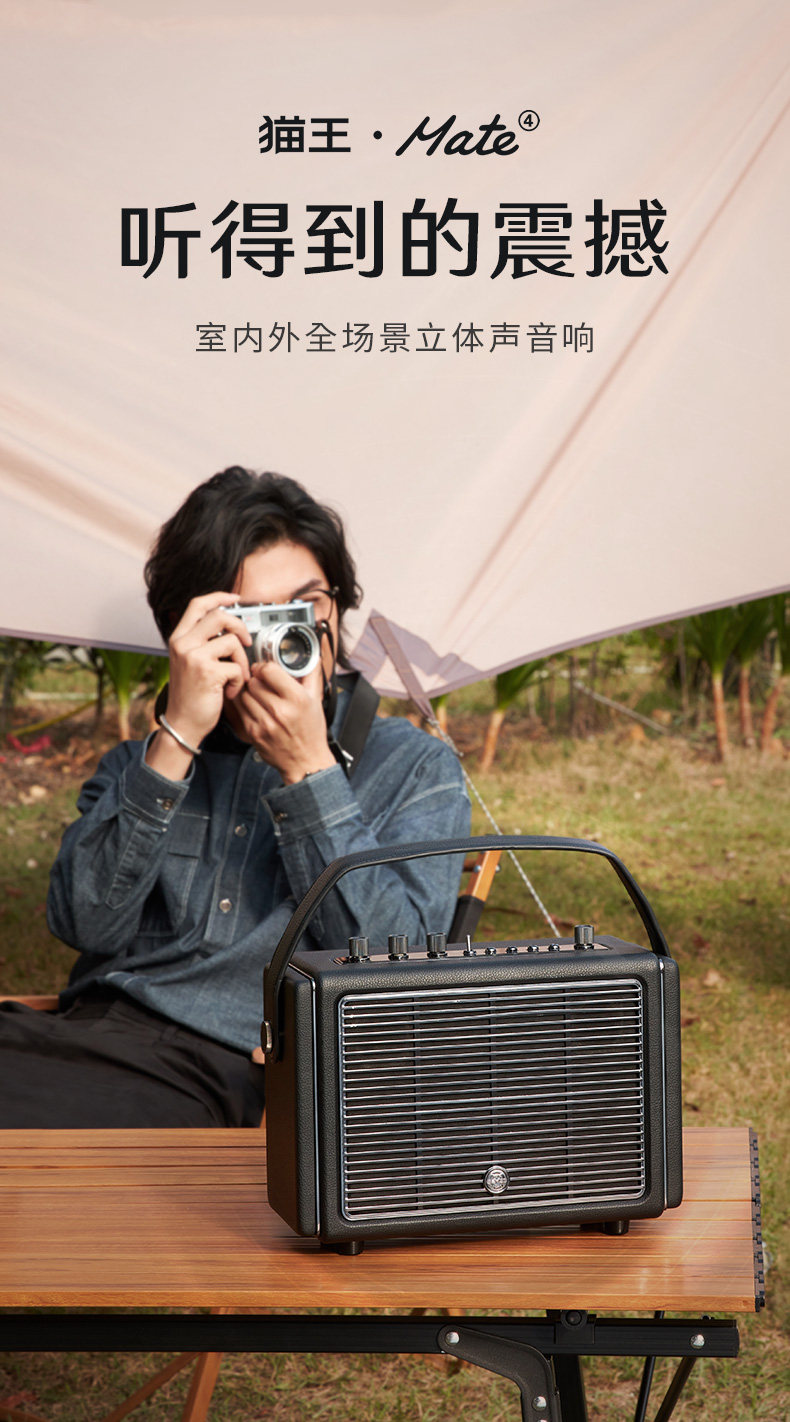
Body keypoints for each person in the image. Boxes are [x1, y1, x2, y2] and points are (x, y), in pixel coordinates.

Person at [0, 467, 470, 1128]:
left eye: (307, 604)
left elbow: (401, 975)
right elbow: (83, 924)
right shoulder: (140, 763)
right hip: (75, 1038)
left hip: (224, 1076)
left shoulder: (413, 768)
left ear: (338, 607)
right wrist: (178, 737)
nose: (290, 634)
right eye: (256, 618)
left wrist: (310, 771)